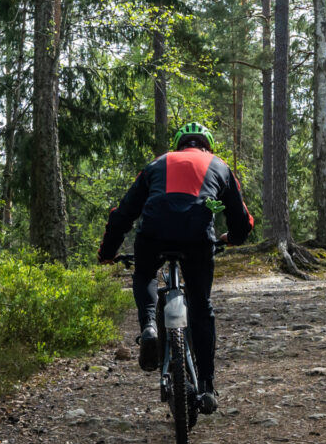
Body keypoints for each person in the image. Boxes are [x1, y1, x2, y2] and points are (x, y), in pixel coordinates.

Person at [98, 122, 254, 414]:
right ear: (207, 146)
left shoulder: (157, 164)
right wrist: (231, 239)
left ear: (180, 145)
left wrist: (107, 252)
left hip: (154, 234)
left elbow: (122, 215)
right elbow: (241, 221)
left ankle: (148, 328)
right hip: (197, 238)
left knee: (145, 272)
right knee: (201, 305)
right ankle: (207, 386)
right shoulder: (219, 166)